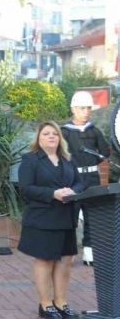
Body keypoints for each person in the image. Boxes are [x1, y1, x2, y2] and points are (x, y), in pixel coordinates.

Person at [18, 121, 83, 319]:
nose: (51, 137)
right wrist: (52, 193)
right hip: (42, 218)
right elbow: (25, 188)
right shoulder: (30, 160)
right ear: (38, 138)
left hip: (65, 217)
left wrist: (74, 191)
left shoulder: (67, 159)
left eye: (55, 133)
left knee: (65, 261)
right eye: (46, 133)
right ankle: (45, 304)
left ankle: (61, 302)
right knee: (45, 260)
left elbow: (80, 182)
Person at [60, 91, 110, 266]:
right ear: (73, 108)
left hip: (92, 178)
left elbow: (104, 152)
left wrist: (90, 162)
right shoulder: (64, 132)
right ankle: (68, 251)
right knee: (70, 215)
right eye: (82, 108)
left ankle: (89, 252)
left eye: (88, 108)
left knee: (92, 215)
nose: (86, 111)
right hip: (73, 178)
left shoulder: (94, 130)